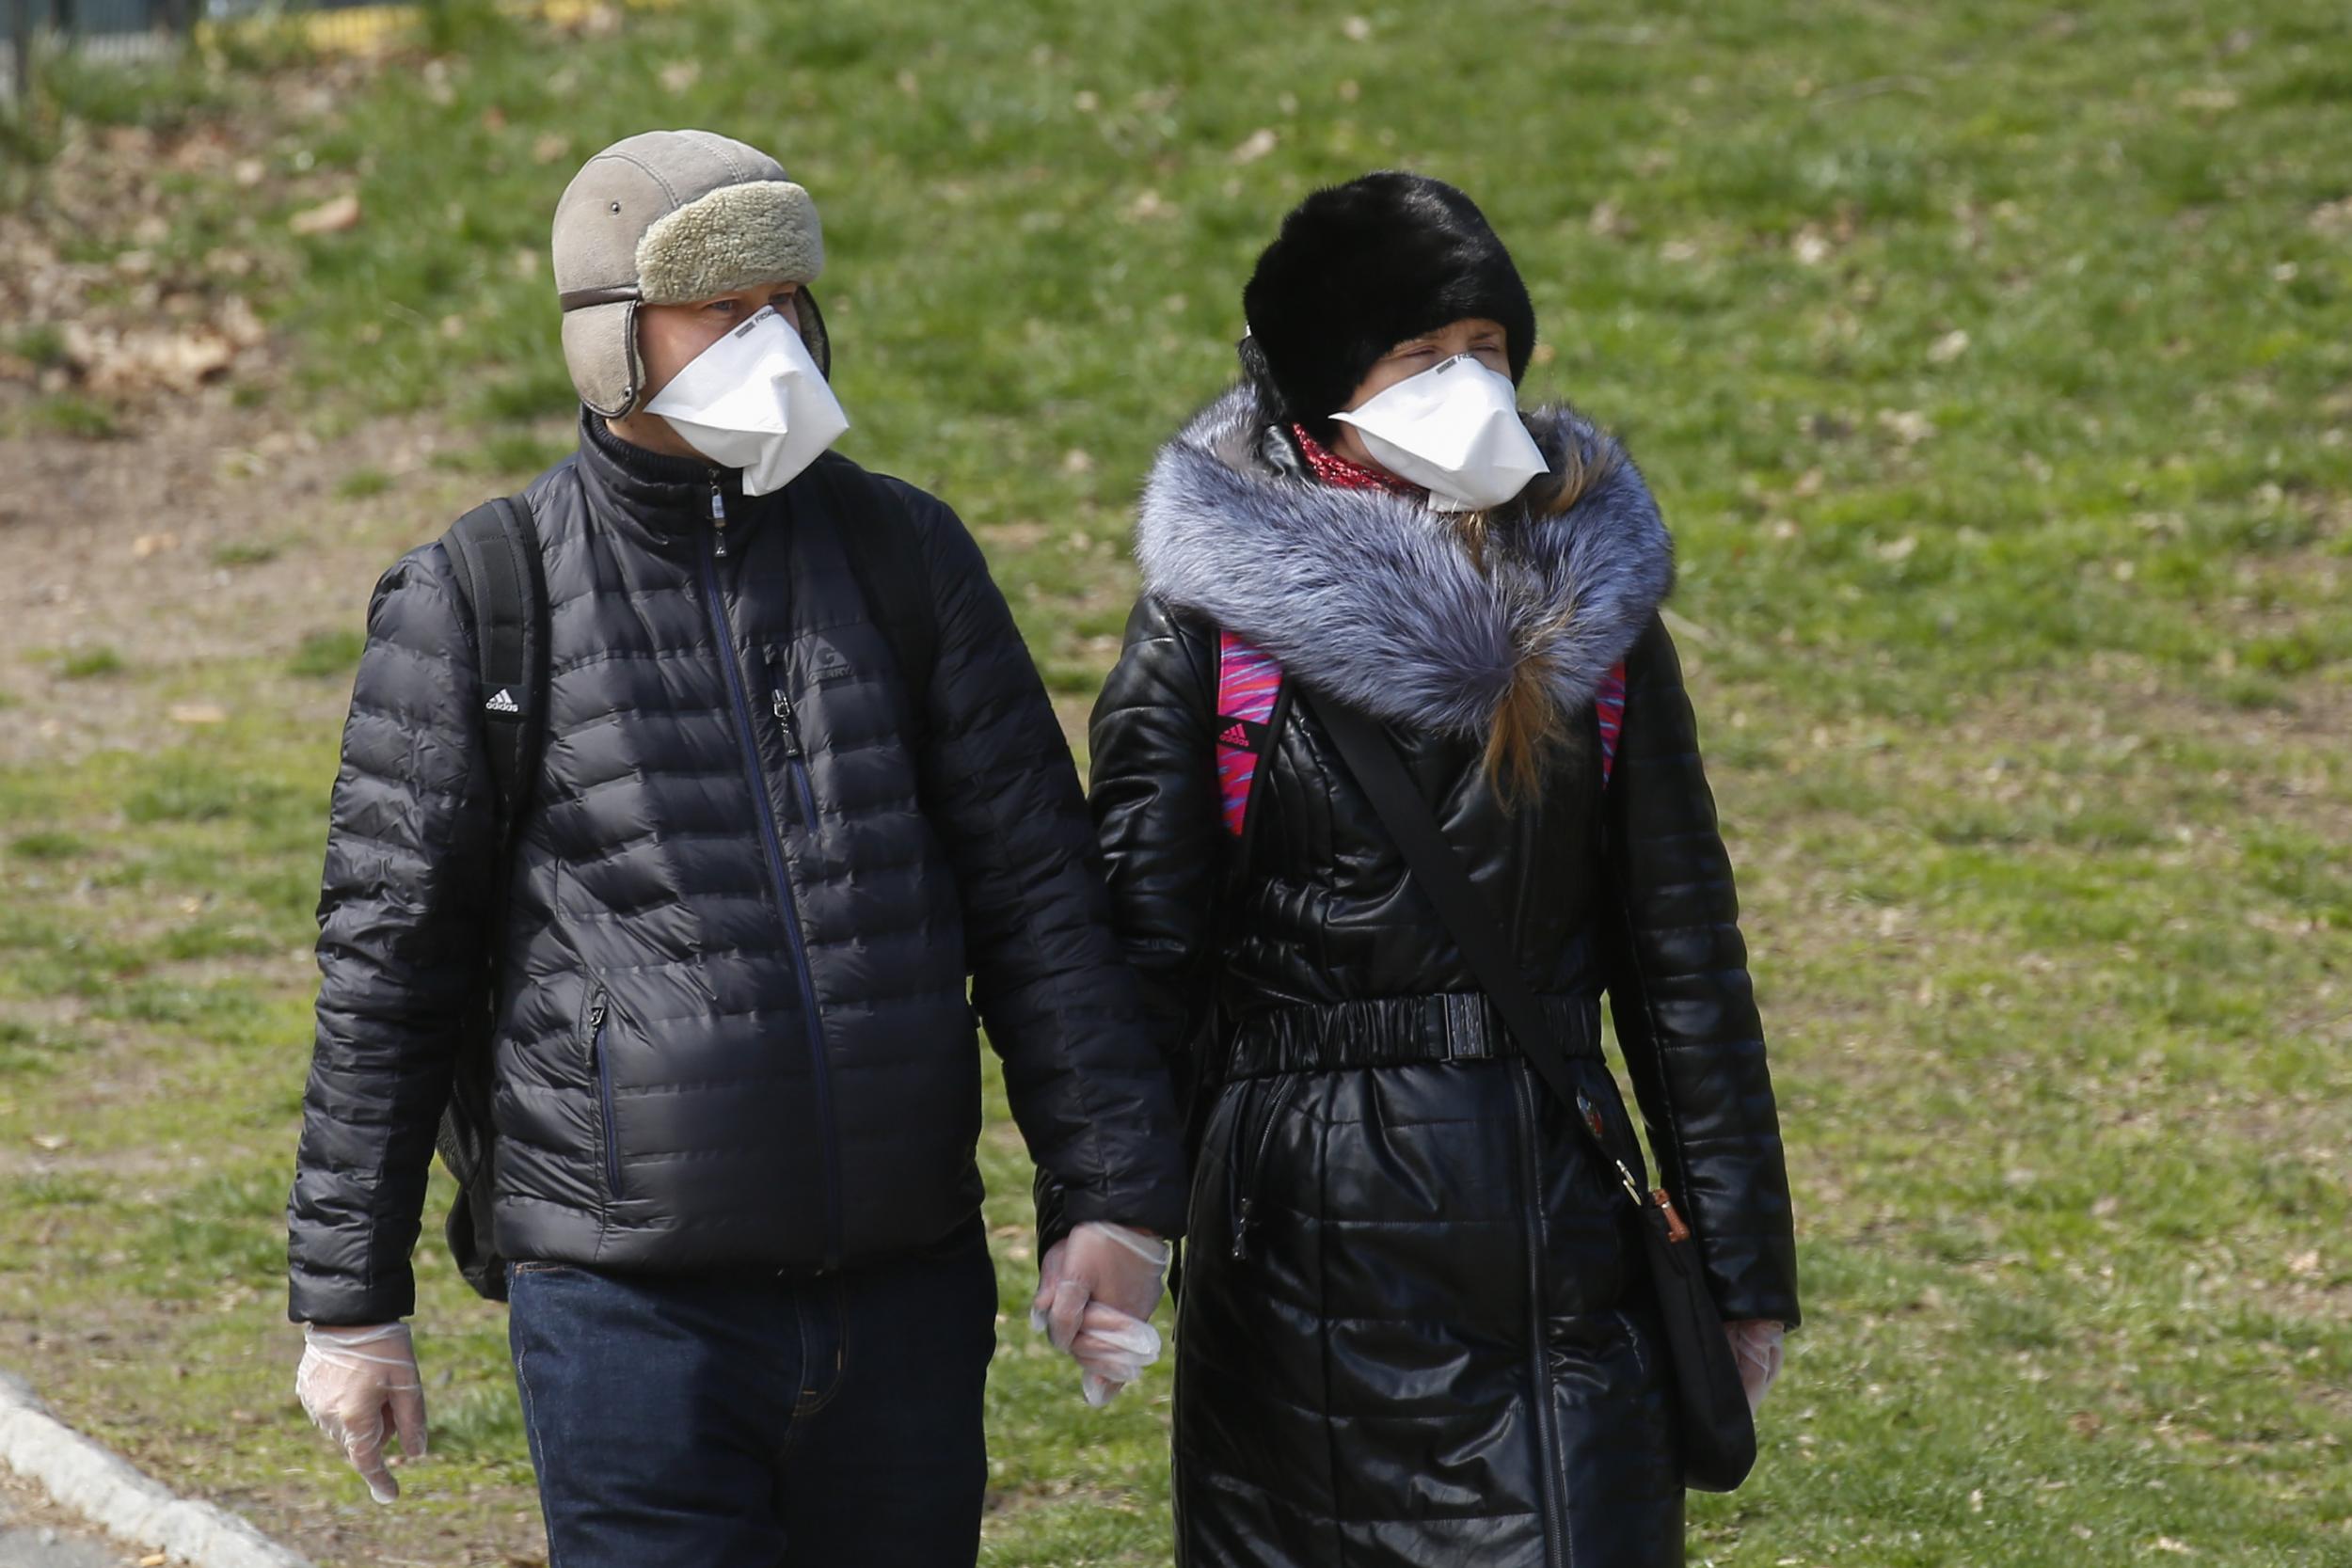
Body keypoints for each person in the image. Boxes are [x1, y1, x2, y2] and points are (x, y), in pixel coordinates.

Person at [283, 129, 1188, 1567]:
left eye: (787, 305)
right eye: (721, 309)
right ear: (610, 340)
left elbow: (1041, 902)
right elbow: (389, 963)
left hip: (905, 1298)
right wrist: (351, 1300)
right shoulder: (479, 597)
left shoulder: (909, 557)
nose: (769, 341)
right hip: (630, 1320)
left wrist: (1115, 1197)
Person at [1085, 171, 1802, 1566]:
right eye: (1420, 356)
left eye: (1487, 349)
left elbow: (1684, 961)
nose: (1466, 384)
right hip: (1296, 1246)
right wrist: (1110, 1216)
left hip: (1553, 1222)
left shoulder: (1591, 619)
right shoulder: (1209, 631)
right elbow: (1140, 960)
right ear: (1322, 384)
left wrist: (1739, 1264)